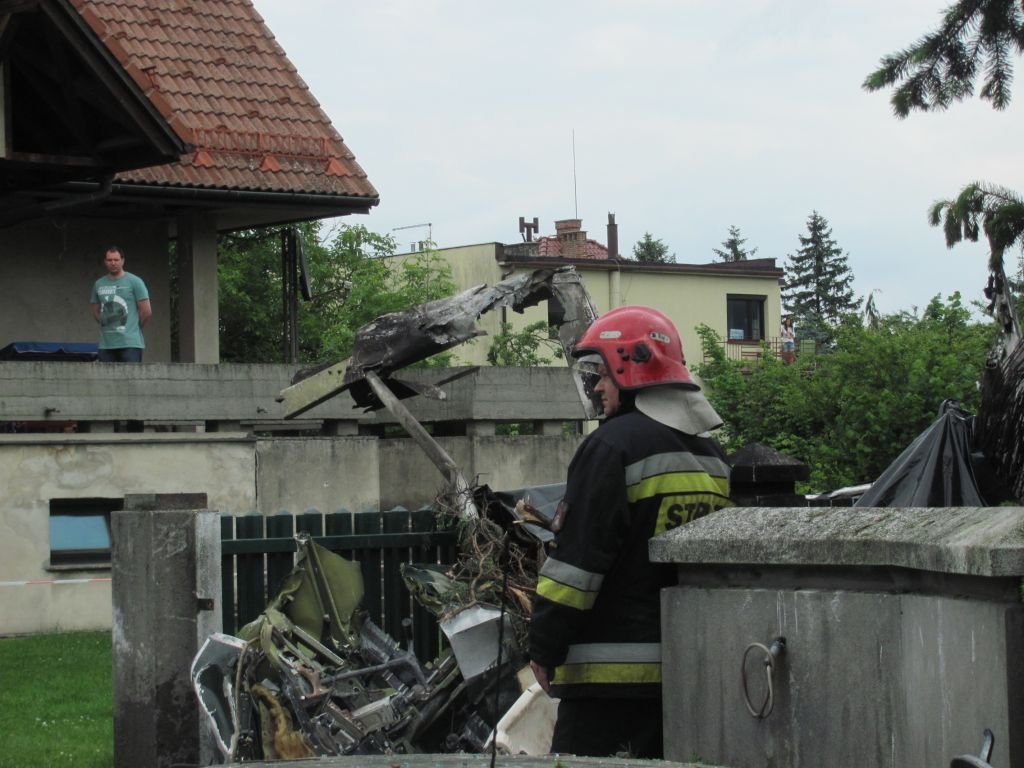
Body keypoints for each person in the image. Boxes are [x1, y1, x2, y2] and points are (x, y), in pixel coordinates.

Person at [528, 306, 733, 759]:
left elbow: (576, 568)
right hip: (683, 677)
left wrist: (544, 644)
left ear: (631, 365)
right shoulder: (713, 457)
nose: (597, 386)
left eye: (601, 373)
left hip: (606, 688)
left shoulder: (610, 447)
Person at [90, 246, 151, 362]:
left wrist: (134, 327)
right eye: (109, 260)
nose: (113, 263)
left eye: (116, 260)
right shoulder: (99, 284)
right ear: (105, 262)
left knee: (131, 379)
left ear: (122, 261)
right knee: (107, 380)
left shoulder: (135, 281)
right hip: (106, 344)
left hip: (130, 344)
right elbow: (95, 310)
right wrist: (107, 322)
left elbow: (146, 312)